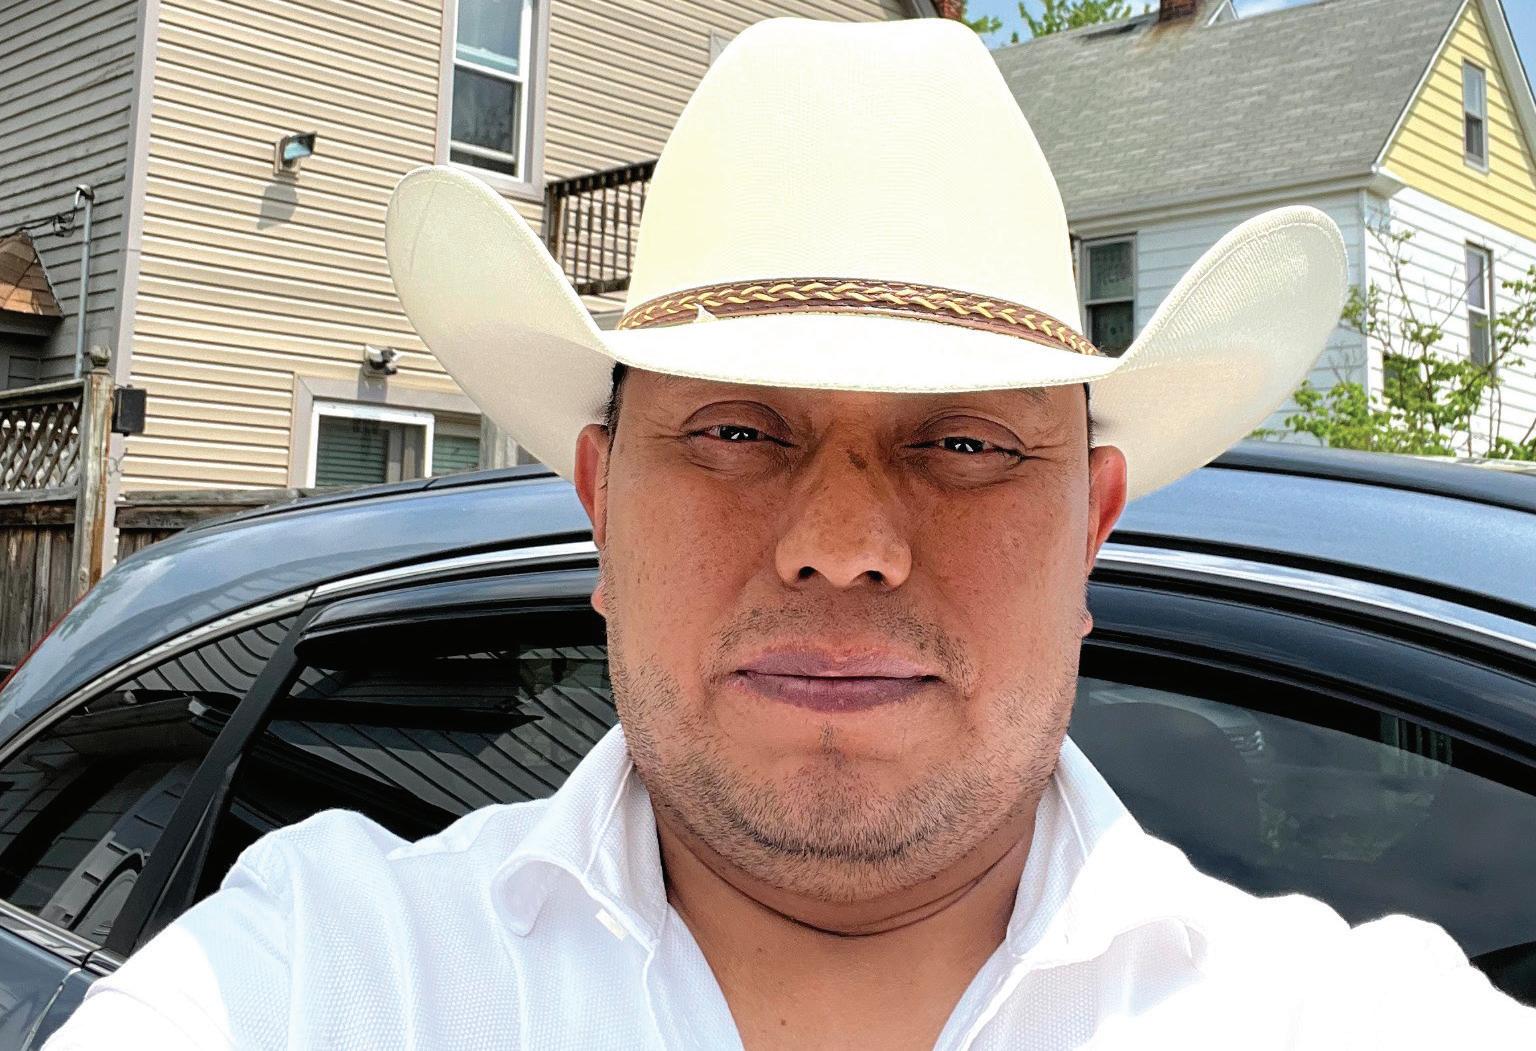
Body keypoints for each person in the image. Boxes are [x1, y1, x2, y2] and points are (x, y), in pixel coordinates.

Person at [47, 16, 1536, 1050]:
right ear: (602, 508)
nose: (842, 543)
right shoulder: (311, 976)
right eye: (737, 432)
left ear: (1090, 529)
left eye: (963, 443)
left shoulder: (1356, 1021)